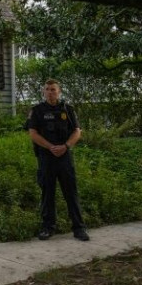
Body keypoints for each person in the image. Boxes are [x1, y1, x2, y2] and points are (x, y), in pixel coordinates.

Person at [27, 79, 90, 242]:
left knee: (71, 192)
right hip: (46, 157)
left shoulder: (68, 110)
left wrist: (66, 146)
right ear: (43, 92)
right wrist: (50, 147)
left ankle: (79, 228)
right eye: (47, 89)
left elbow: (77, 132)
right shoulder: (37, 110)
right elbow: (33, 133)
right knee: (48, 193)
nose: (50, 92)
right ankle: (47, 228)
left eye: (53, 89)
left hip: (64, 157)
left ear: (59, 91)